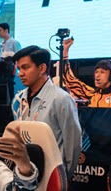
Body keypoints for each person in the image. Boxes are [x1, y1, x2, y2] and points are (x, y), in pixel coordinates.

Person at [11, 45, 81, 177]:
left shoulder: (61, 99)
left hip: (53, 176)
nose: (20, 73)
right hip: (24, 174)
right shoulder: (18, 100)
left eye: (25, 67)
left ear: (42, 68)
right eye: (19, 68)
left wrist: (63, 177)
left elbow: (73, 144)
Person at [62, 29, 111, 108]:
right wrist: (65, 51)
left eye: (102, 72)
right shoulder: (91, 94)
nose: (97, 76)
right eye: (96, 72)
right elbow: (70, 80)